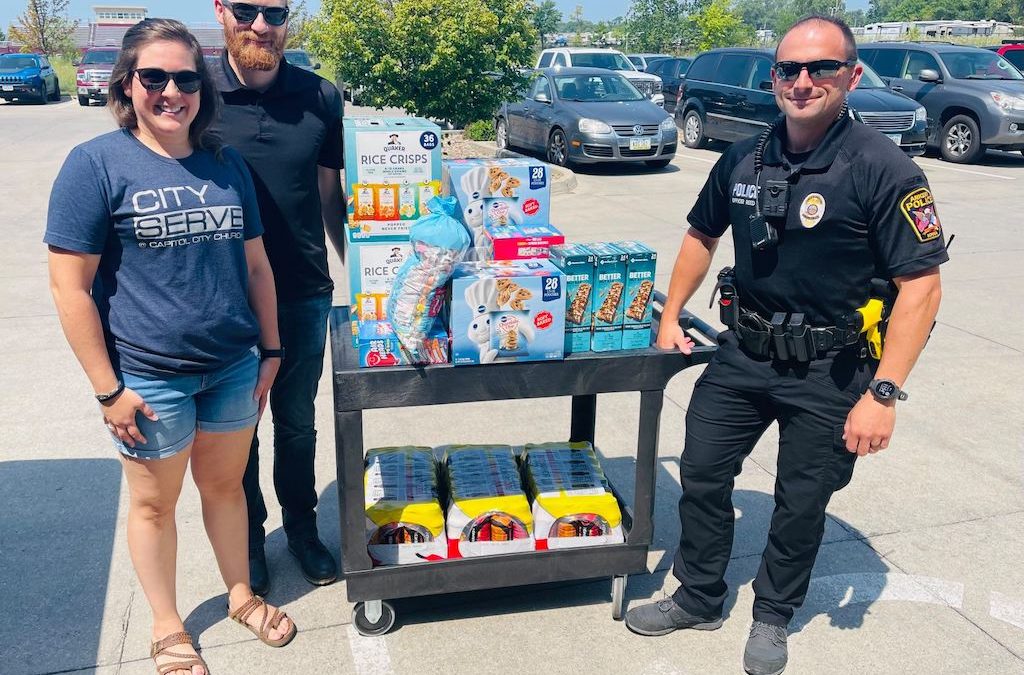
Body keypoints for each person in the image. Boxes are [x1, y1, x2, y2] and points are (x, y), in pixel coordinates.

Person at [623, 15, 947, 675]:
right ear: (774, 78)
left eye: (821, 68)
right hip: (744, 352)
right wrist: (670, 315)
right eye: (789, 69)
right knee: (704, 471)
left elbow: (922, 288)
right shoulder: (744, 154)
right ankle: (699, 594)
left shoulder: (886, 168)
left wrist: (882, 393)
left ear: (851, 76)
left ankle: (772, 614)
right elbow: (700, 234)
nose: (803, 81)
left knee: (802, 500)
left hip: (834, 368)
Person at [45, 19, 297, 675]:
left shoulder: (224, 163)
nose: (171, 91)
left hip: (232, 368)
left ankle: (241, 592)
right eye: (153, 76)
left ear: (201, 88)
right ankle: (166, 624)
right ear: (128, 83)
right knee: (154, 504)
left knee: (226, 491)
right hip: (149, 380)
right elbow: (69, 287)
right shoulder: (95, 165)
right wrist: (108, 388)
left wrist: (269, 351)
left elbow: (259, 267)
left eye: (186, 78)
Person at [207, 0, 346, 596]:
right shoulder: (193, 91)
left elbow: (328, 195)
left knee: (296, 424)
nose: (260, 24)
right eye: (245, 9)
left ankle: (302, 528)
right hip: (223, 302)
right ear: (220, 11)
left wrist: (367, 278)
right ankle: (249, 539)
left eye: (274, 11)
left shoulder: (321, 97)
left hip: (304, 294)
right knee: (240, 430)